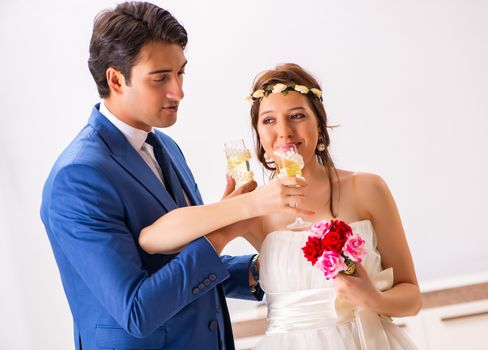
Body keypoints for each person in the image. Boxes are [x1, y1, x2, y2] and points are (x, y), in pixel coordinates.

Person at [40, 3, 309, 349]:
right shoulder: (77, 177)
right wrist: (224, 229)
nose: (178, 91)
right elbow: (138, 309)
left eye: (181, 73)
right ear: (116, 79)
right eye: (161, 77)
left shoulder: (165, 147)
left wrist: (261, 270)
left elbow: (177, 264)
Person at [139, 63, 422, 349]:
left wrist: (375, 299)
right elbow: (152, 239)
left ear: (319, 125)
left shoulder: (368, 189)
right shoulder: (256, 208)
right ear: (259, 136)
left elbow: (412, 295)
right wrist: (233, 208)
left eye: (297, 116)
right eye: (269, 120)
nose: (284, 131)